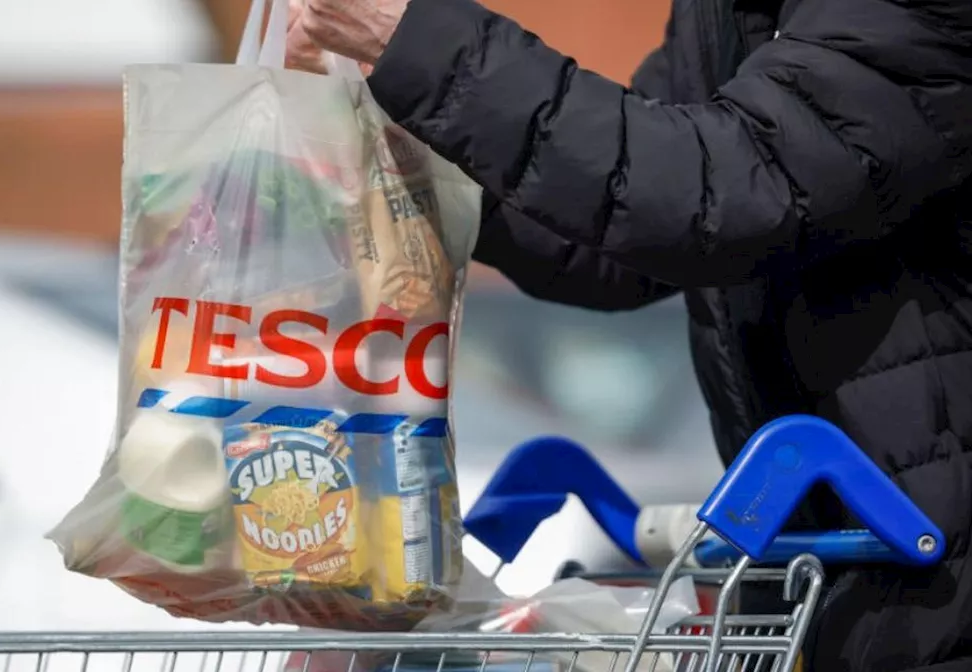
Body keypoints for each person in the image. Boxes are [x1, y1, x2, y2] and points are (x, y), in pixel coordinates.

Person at [285, 0, 971, 670]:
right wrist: (394, 126)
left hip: (930, 574)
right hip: (838, 581)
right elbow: (611, 228)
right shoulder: (726, 16)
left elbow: (722, 187)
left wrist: (421, 46)